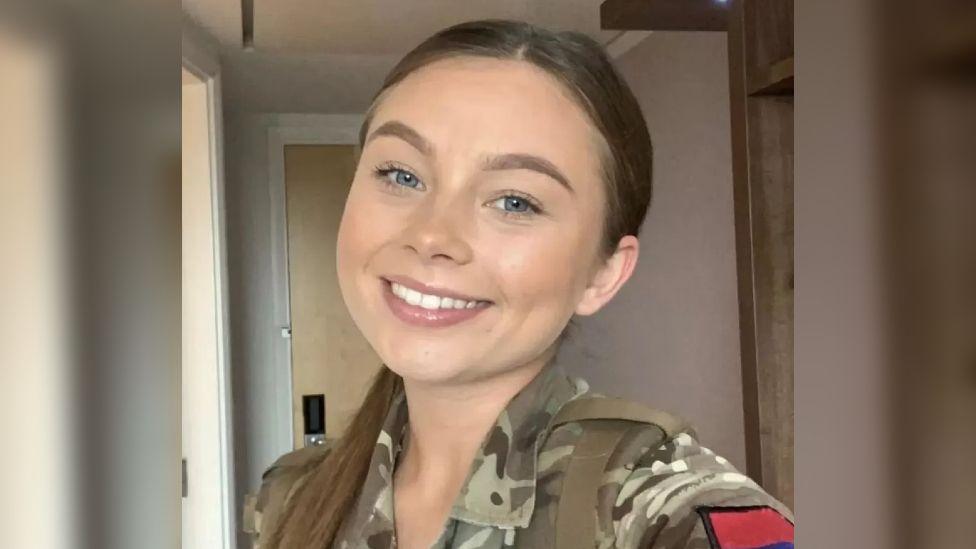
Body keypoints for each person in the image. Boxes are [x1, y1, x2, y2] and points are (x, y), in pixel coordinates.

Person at [243, 19, 794, 549]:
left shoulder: (661, 513)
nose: (433, 234)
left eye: (514, 201)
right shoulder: (287, 499)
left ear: (604, 274)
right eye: (401, 175)